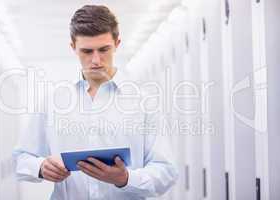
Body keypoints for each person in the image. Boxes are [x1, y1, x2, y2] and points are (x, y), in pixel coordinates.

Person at [13, 5, 178, 200]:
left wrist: (126, 178)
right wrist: (40, 167)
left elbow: (166, 170)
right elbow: (22, 158)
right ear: (73, 47)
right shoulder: (54, 100)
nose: (96, 60)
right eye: (87, 51)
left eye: (103, 49)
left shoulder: (144, 101)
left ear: (117, 43)